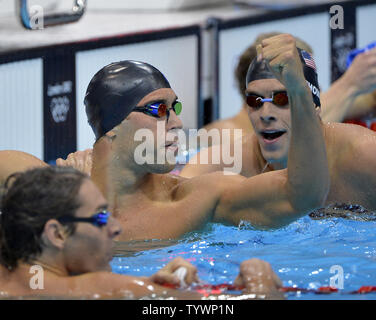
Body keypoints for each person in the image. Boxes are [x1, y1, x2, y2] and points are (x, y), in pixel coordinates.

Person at [0, 34, 329, 240]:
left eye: (175, 107)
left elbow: (301, 196)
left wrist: (299, 90)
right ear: (112, 127)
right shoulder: (52, 193)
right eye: (159, 109)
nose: (177, 122)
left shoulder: (194, 200)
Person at [0, 166, 283, 299]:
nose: (116, 227)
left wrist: (148, 283)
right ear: (57, 233)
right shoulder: (104, 289)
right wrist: (258, 278)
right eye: (100, 217)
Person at [180, 37, 376, 215]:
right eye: (255, 101)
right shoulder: (221, 165)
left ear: (314, 106)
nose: (265, 114)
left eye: (282, 99)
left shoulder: (362, 155)